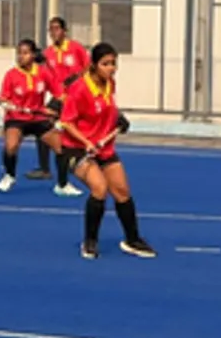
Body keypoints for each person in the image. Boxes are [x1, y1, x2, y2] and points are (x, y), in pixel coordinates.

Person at [58, 42, 155, 260]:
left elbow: (108, 108)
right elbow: (67, 123)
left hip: (104, 148)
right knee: (99, 188)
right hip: (77, 150)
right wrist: (86, 142)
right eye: (106, 64)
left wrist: (118, 119)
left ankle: (132, 239)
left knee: (122, 191)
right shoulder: (80, 89)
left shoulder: (110, 83)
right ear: (93, 65)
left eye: (113, 63)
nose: (111, 68)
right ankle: (90, 241)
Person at [0, 39, 81, 198]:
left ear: (33, 55)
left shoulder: (43, 73)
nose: (21, 57)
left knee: (62, 148)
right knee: (11, 146)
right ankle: (9, 175)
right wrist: (5, 102)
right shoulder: (11, 75)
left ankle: (62, 185)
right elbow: (4, 99)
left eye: (25, 53)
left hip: (38, 119)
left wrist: (68, 107)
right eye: (19, 53)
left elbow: (59, 94)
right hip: (16, 118)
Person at [27, 17, 90, 180]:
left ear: (64, 30)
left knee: (80, 131)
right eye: (51, 29)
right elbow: (44, 74)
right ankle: (44, 168)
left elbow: (89, 67)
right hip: (60, 97)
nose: (53, 32)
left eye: (56, 28)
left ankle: (82, 163)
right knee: (42, 124)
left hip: (76, 97)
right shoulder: (48, 53)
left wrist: (77, 77)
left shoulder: (75, 48)